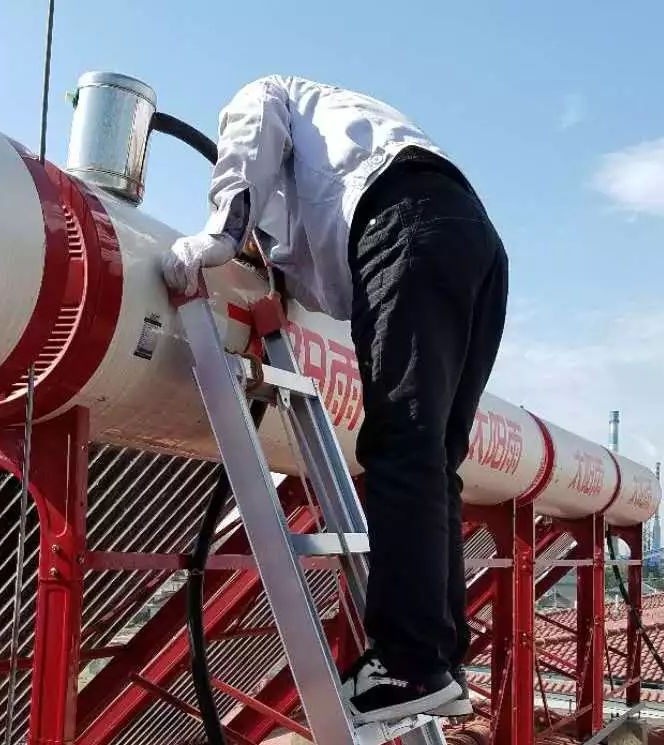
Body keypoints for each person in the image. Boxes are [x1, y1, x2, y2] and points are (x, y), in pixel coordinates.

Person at [162, 75, 508, 724]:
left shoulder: (268, 94)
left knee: (400, 444)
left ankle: (407, 663)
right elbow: (333, 273)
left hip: (406, 223)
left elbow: (248, 136)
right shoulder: (343, 139)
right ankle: (439, 660)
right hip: (474, 241)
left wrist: (222, 233)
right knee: (434, 460)